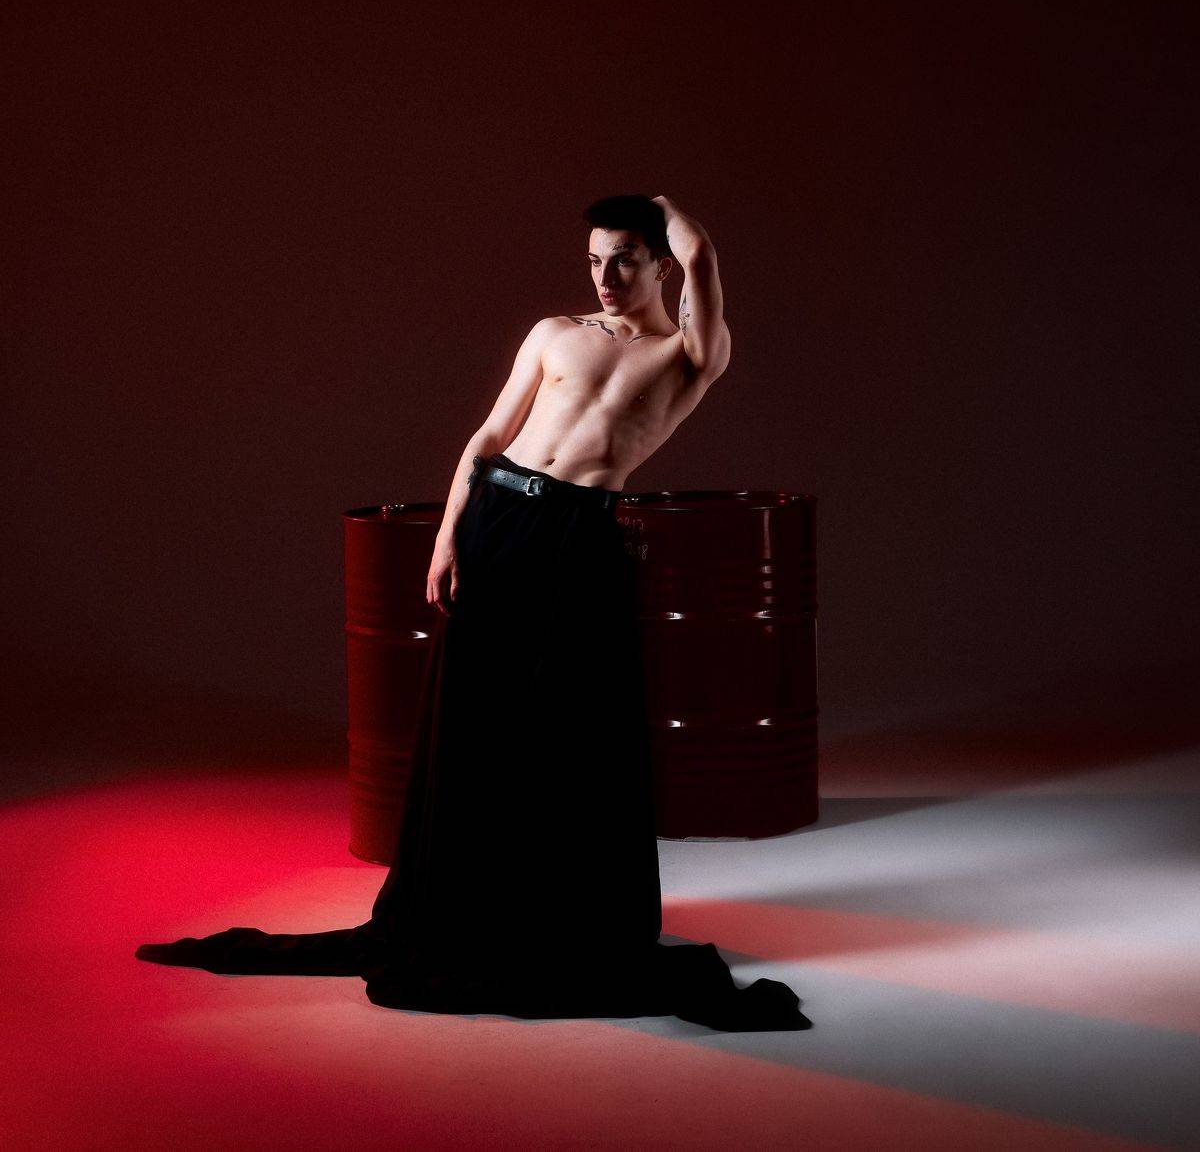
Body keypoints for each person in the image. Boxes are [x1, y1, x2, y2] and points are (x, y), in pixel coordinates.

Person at [135, 193, 812, 1031]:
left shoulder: (689, 352)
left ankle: (555, 919)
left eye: (624, 259)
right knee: (476, 719)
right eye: (594, 260)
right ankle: (458, 907)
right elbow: (488, 439)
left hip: (582, 535)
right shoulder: (553, 333)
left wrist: (667, 209)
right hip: (500, 518)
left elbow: (702, 257)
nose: (605, 276)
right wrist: (446, 538)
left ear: (659, 264)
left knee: (571, 731)